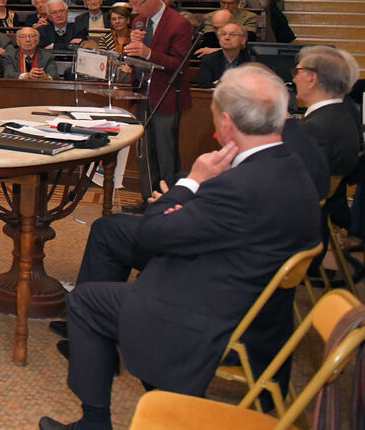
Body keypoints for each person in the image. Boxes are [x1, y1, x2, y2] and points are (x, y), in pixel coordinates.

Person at [40, 65, 321, 430]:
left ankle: (93, 423)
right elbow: (230, 223)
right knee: (116, 240)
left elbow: (151, 236)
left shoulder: (236, 185)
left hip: (205, 307)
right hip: (252, 292)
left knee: (85, 301)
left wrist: (191, 184)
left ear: (226, 121)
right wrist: (190, 203)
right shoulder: (291, 167)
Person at [122, 0, 194, 208]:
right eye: (131, 4)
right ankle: (148, 199)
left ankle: (168, 202)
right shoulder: (139, 22)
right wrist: (131, 52)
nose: (134, 9)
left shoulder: (179, 23)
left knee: (165, 153)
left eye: (138, 4)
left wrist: (147, 53)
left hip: (166, 96)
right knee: (144, 153)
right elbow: (136, 59)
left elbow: (179, 65)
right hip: (142, 94)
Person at [291, 46, 363, 235]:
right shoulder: (343, 115)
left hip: (299, 229)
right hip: (318, 221)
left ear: (312, 78)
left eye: (297, 71)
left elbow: (293, 185)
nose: (293, 78)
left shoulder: (314, 128)